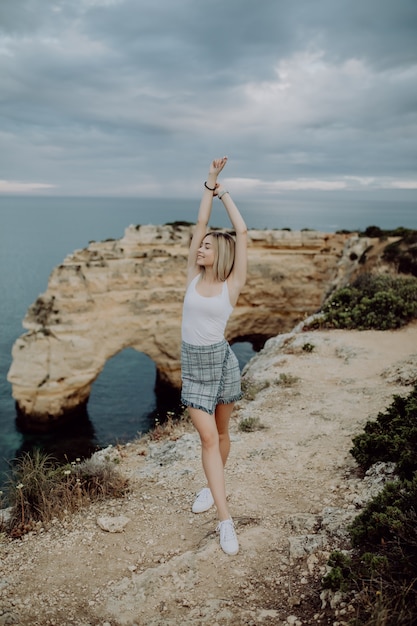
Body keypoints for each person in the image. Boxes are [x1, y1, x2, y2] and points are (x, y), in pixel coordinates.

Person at [181, 156, 247, 556]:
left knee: (222, 435)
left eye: (207, 247)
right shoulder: (192, 275)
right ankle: (226, 520)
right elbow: (201, 224)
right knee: (207, 437)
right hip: (195, 370)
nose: (201, 247)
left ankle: (211, 485)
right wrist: (210, 181)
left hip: (222, 364)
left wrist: (226, 194)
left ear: (219, 254)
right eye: (200, 246)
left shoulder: (230, 285)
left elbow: (241, 230)